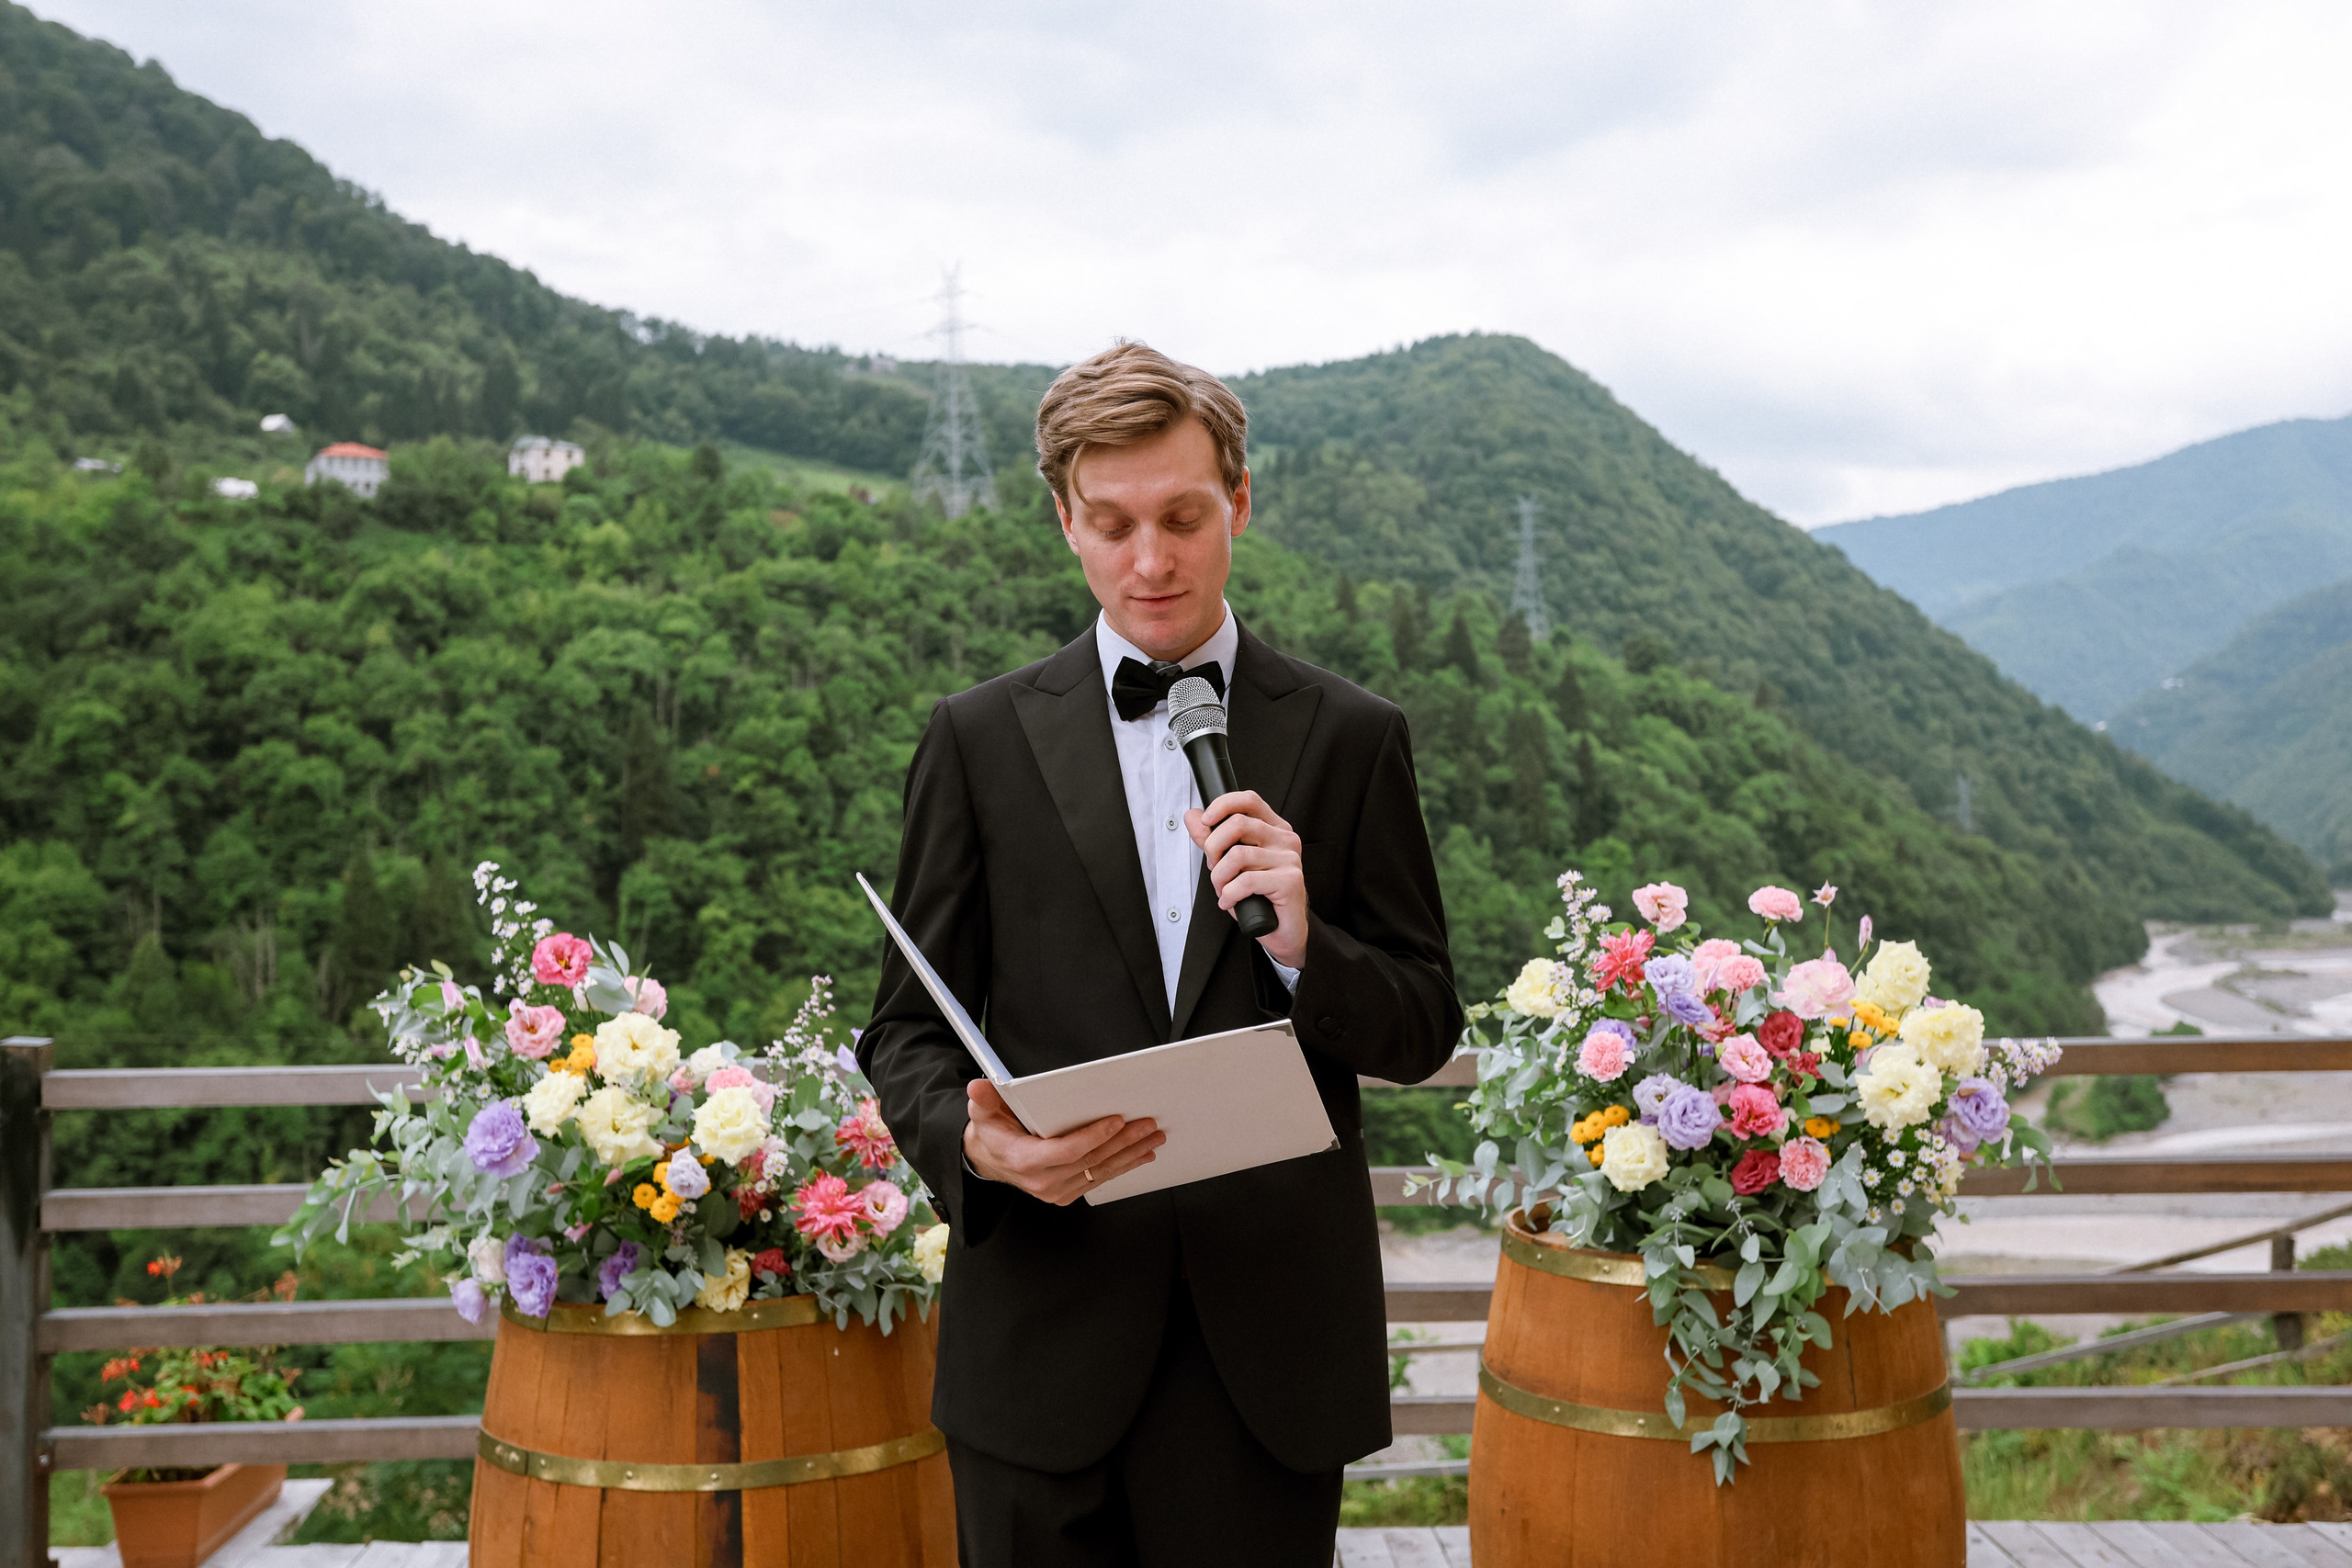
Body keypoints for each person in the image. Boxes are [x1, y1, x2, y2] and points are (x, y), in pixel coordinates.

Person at [859, 342, 1461, 1568]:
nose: (1152, 560)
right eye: (1114, 522)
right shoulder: (974, 741)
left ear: (1239, 500)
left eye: (1184, 516)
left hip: (1269, 1361)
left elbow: (1422, 1023)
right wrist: (977, 1144)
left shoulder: (1352, 737)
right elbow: (906, 1031)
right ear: (1064, 523)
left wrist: (1305, 946)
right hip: (1040, 1341)